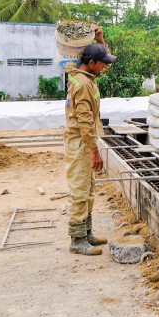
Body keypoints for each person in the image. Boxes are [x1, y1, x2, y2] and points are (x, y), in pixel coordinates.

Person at [64, 42, 117, 255]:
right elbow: (84, 121)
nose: (104, 67)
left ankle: (86, 233)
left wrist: (101, 39)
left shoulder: (84, 77)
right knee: (79, 191)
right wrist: (94, 151)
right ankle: (77, 241)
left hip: (85, 143)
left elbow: (107, 62)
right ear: (91, 62)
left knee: (89, 190)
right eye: (101, 64)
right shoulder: (83, 85)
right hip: (81, 145)